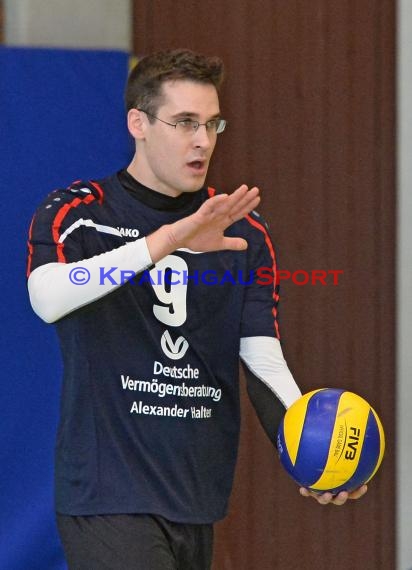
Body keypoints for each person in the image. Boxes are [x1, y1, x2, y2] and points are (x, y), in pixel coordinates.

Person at [27, 48, 367, 570]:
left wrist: (309, 454)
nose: (203, 141)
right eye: (185, 122)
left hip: (195, 497)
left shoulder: (242, 232)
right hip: (107, 495)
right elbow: (47, 297)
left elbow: (263, 361)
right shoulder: (80, 213)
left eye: (212, 124)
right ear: (137, 123)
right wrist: (166, 241)